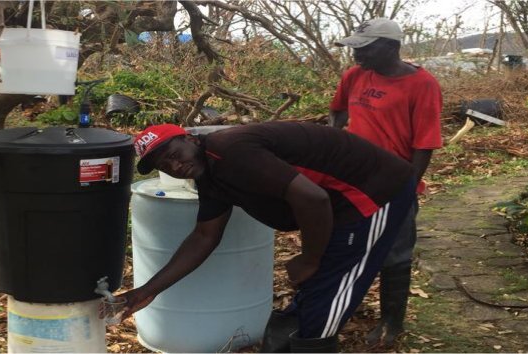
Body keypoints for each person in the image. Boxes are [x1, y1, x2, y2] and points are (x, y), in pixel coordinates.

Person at [119, 121, 417, 352]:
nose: (174, 166)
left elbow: (313, 200)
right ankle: (295, 335)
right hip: (336, 201)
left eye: (173, 154)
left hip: (372, 191)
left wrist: (310, 259)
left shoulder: (232, 152)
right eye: (163, 166)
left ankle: (314, 339)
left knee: (335, 284)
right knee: (319, 286)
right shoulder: (208, 173)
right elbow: (204, 236)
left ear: (191, 139)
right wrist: (147, 291)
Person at [329, 18, 443, 346]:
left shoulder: (422, 84)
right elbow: (337, 112)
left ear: (392, 47)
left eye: (365, 48)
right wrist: (330, 148)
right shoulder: (354, 75)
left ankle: (392, 322)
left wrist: (405, 189)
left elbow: (424, 144)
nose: (357, 55)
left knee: (395, 254)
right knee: (348, 245)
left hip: (394, 182)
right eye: (354, 48)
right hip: (351, 181)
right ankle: (342, 308)